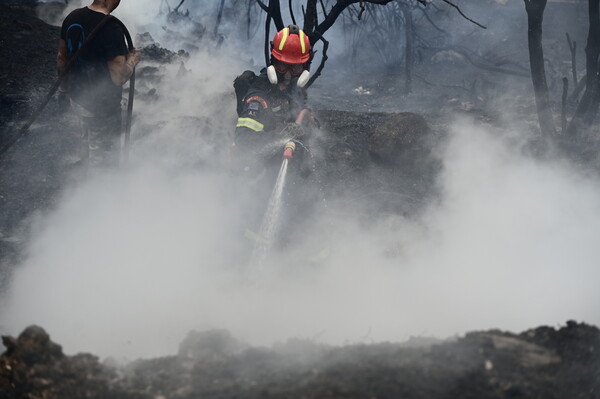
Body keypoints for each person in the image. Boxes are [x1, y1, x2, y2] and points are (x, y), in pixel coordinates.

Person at [56, 0, 141, 168]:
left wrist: (64, 90)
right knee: (103, 158)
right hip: (102, 108)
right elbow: (119, 77)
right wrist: (132, 60)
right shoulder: (110, 28)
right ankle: (98, 188)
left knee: (86, 139)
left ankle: (82, 179)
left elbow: (61, 59)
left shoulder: (72, 17)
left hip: (77, 97)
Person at [231, 24, 317, 180]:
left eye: (296, 67)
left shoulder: (291, 89)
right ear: (274, 61)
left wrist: (307, 118)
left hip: (287, 168)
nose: (289, 74)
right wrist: (281, 134)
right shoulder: (258, 96)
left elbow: (299, 110)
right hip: (256, 178)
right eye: (283, 66)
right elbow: (244, 142)